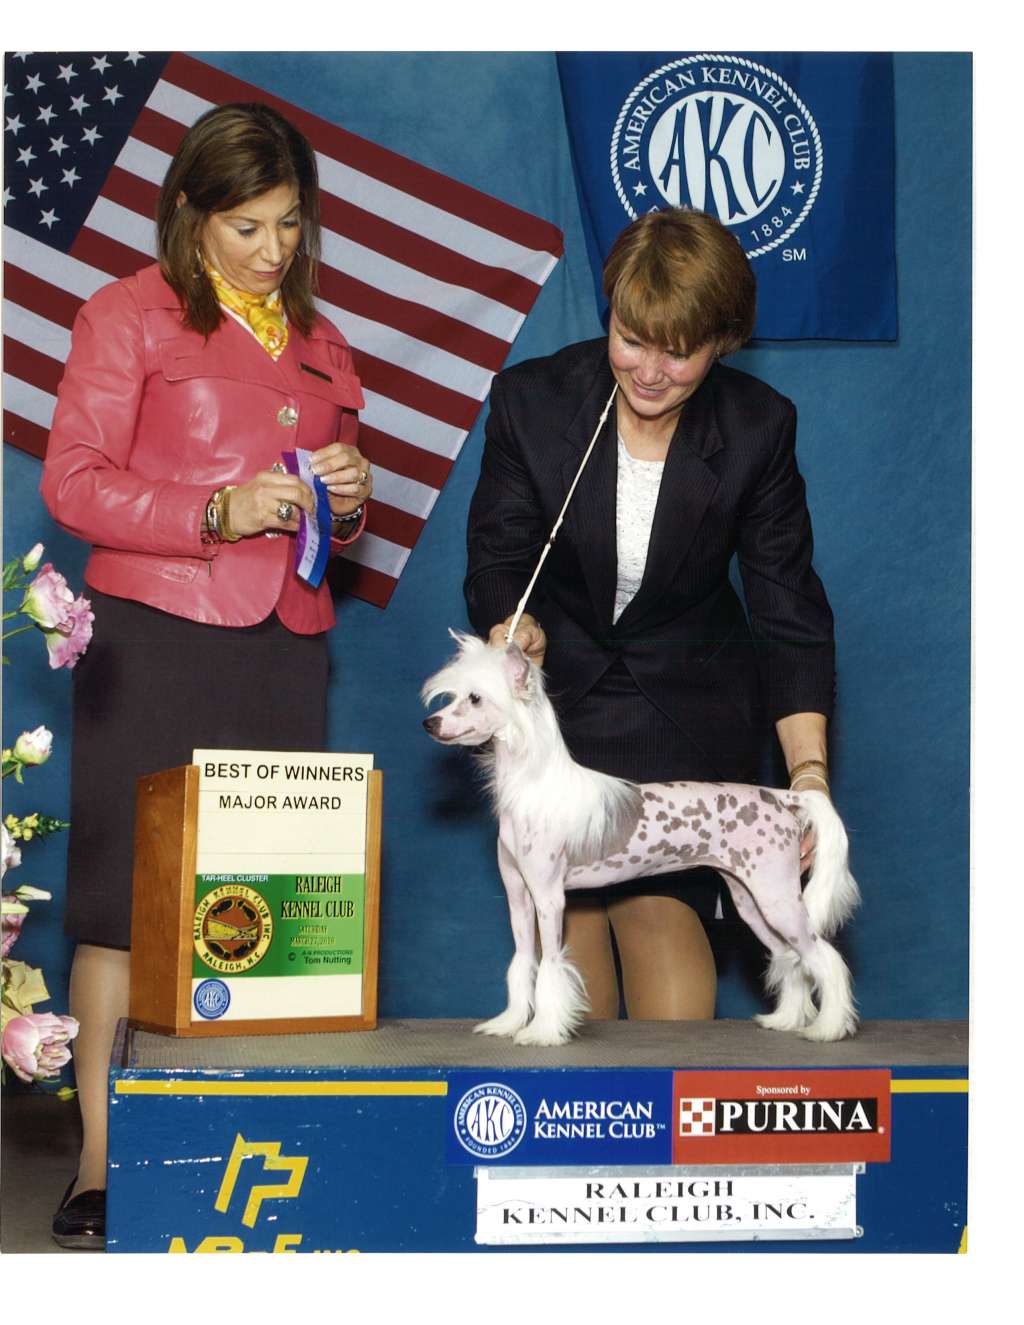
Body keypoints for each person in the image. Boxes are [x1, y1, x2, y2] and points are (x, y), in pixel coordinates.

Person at [40, 102, 373, 1249]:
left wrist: (348, 494)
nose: (272, 250)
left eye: (288, 224)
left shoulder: (326, 343)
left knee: (267, 914)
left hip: (286, 639)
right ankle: (97, 1165)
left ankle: (246, 1164)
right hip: (156, 637)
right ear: (188, 214)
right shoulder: (124, 316)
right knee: (123, 910)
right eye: (245, 227)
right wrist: (212, 509)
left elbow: (340, 509)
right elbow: (72, 485)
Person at [464, 207, 834, 1026]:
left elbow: (788, 611)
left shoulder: (756, 429)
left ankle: (677, 1142)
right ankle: (573, 1140)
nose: (652, 370)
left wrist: (807, 779)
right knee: (571, 922)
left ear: (724, 341)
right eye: (633, 339)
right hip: (561, 706)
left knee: (661, 913)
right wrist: (510, 631)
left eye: (681, 350)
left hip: (686, 705)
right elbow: (498, 557)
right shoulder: (533, 401)